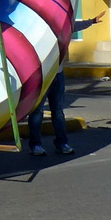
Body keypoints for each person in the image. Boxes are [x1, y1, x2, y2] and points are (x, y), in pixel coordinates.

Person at [29, 14, 100, 157]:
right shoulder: (35, 29)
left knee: (58, 111)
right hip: (42, 76)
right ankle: (35, 145)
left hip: (58, 75)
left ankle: (62, 143)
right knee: (37, 112)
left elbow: (75, 25)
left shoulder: (61, 27)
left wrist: (91, 21)